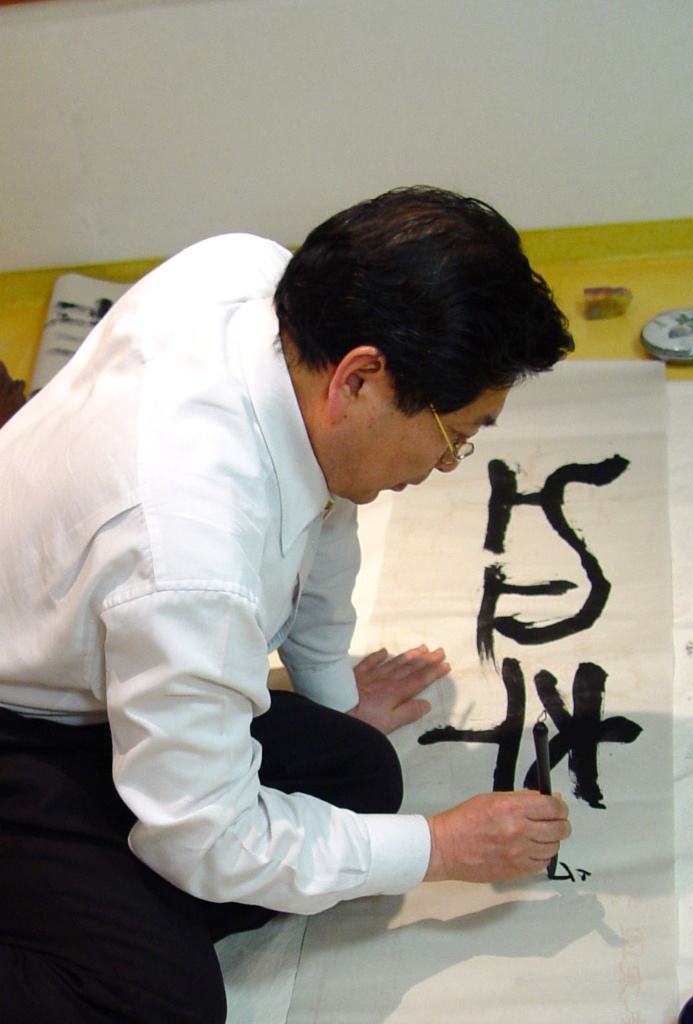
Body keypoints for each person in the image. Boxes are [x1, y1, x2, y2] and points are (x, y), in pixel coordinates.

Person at [0, 186, 574, 1023]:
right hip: (19, 724)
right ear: (360, 380)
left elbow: (324, 512)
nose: (446, 465)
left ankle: (96, 883)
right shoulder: (191, 557)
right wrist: (442, 848)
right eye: (454, 436)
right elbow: (209, 839)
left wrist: (333, 694)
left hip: (79, 651)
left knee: (358, 774)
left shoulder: (253, 278)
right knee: (157, 999)